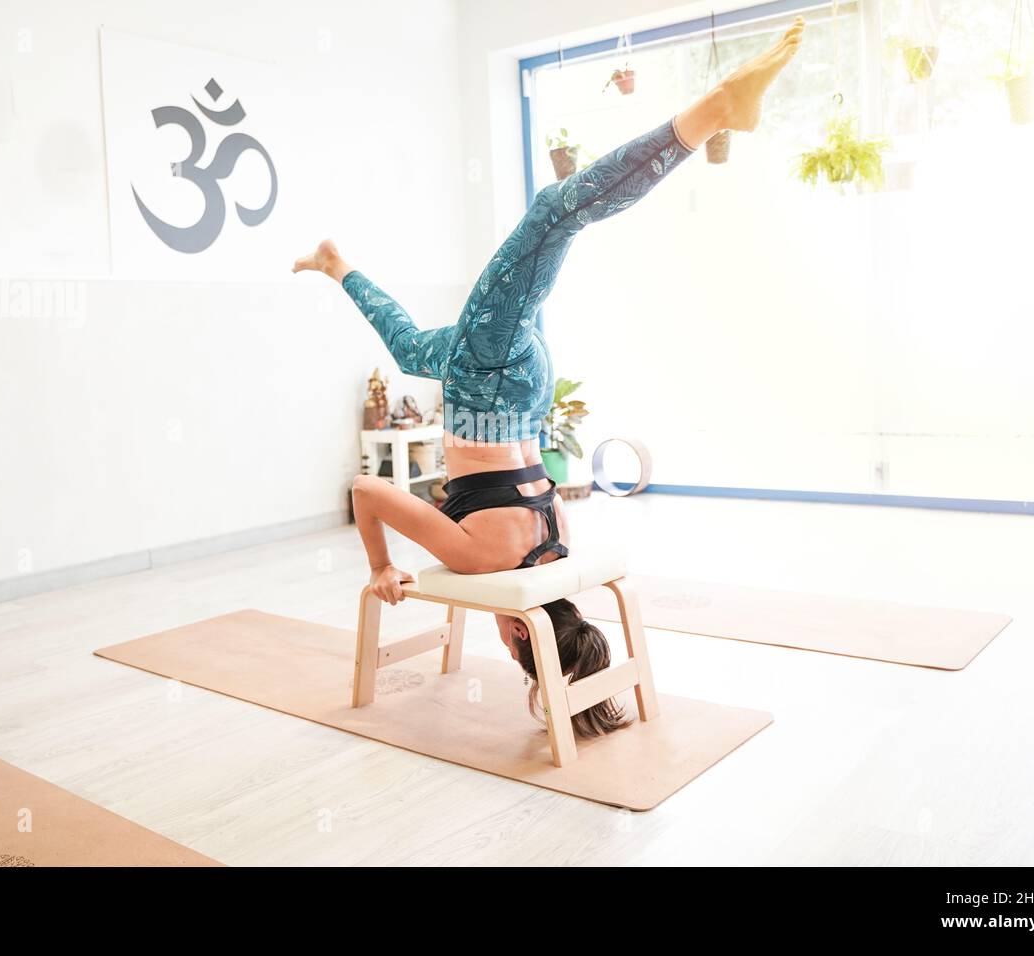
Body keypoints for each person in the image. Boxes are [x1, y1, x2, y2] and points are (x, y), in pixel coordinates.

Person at [294, 18, 805, 736]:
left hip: (521, 393)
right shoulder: (481, 558)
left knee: (413, 352)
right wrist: (380, 568)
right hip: (490, 385)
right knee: (552, 215)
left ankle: (333, 262)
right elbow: (367, 490)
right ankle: (709, 116)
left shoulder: (553, 537)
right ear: (516, 639)